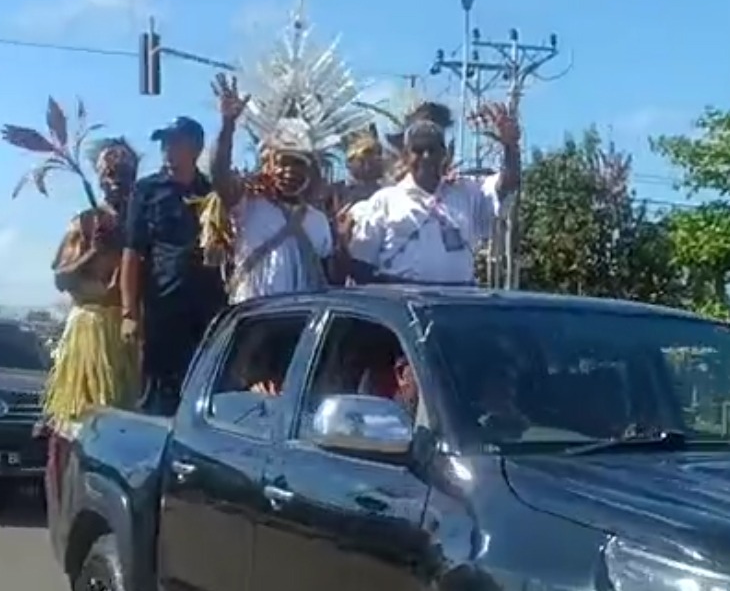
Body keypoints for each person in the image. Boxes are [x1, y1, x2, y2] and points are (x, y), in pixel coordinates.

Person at [43, 138, 142, 501]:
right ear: (100, 178)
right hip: (91, 330)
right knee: (82, 421)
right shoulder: (86, 222)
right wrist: (95, 252)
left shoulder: (141, 219)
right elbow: (61, 277)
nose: (117, 180)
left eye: (125, 173)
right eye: (111, 174)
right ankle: (71, 495)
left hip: (130, 330)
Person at [345, 99, 522, 285]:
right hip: (401, 304)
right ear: (406, 156)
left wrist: (511, 147)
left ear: (444, 154)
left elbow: (508, 184)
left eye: (433, 149)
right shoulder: (384, 201)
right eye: (418, 150)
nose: (426, 157)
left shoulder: (466, 191)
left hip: (458, 304)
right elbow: (361, 267)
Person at [121, 116, 227, 416]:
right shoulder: (147, 190)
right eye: (164, 143)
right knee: (157, 394)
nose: (167, 149)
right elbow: (133, 252)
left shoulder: (212, 191)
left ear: (195, 147)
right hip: (162, 308)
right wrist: (129, 312)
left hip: (207, 309)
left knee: (200, 390)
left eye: (175, 142)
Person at [201, 72, 337, 303]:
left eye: (298, 164)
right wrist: (228, 126)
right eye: (283, 162)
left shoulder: (319, 221)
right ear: (268, 164)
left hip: (301, 322)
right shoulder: (248, 204)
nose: (290, 171)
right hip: (255, 320)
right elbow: (219, 174)